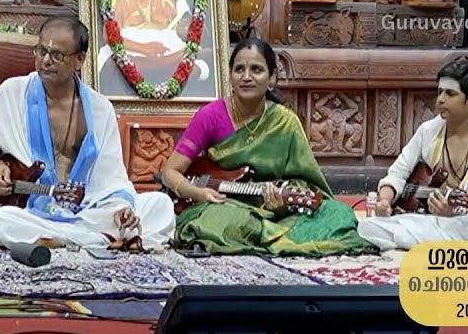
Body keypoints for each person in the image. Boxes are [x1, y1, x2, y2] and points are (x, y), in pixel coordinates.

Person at [0, 14, 175, 250]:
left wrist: (122, 209)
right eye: (41, 51)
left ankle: (71, 240)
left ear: (79, 60)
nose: (46, 61)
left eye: (57, 55)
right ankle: (98, 241)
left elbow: (112, 177)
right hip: (33, 213)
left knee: (160, 205)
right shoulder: (12, 93)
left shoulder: (100, 109)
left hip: (89, 212)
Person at [159, 38, 377, 256]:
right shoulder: (211, 116)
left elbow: (308, 184)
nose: (246, 77)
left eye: (256, 70)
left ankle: (259, 236)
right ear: (230, 77)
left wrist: (280, 204)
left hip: (278, 211)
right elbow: (170, 172)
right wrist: (195, 193)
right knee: (219, 221)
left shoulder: (285, 122)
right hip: (227, 206)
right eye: (239, 70)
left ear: (271, 78)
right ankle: (264, 236)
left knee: (338, 214)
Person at [356, 56, 468, 250]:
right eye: (440, 92)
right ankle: (445, 243)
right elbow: (398, 173)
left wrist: (454, 214)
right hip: (427, 221)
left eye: (450, 94)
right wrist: (384, 201)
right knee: (368, 227)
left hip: (466, 223)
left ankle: (430, 242)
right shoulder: (428, 131)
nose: (440, 100)